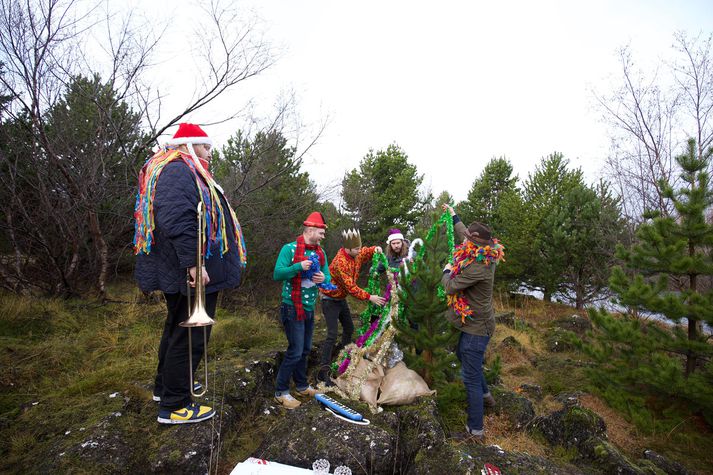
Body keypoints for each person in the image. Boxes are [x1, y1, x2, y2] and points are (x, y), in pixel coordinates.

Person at [134, 123, 247, 424]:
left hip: (188, 269)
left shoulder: (183, 169)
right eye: (206, 146)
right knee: (190, 336)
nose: (211, 151)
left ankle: (167, 387)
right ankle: (175, 405)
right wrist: (195, 264)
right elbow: (176, 218)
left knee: (176, 330)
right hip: (192, 271)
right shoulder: (178, 170)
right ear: (189, 145)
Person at [441, 204, 503, 442]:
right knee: (462, 355)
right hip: (474, 324)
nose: (466, 242)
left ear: (478, 245)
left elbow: (449, 287)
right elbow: (465, 233)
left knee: (470, 378)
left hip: (478, 329)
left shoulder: (480, 266)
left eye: (470, 241)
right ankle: (487, 396)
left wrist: (446, 270)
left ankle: (475, 431)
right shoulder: (484, 248)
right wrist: (454, 214)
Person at [272, 212, 331, 409]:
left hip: (309, 308)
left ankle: (302, 385)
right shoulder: (289, 249)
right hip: (291, 307)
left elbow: (328, 278)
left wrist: (323, 279)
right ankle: (281, 391)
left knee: (305, 350)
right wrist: (298, 266)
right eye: (321, 233)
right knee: (295, 351)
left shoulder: (320, 253)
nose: (323, 237)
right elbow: (278, 274)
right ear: (311, 230)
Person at [318, 229, 386, 385]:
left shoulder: (356, 252)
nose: (359, 251)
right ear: (348, 248)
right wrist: (370, 297)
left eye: (359, 248)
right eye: (356, 249)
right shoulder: (341, 262)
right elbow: (351, 288)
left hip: (341, 298)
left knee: (349, 329)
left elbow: (365, 252)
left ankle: (343, 360)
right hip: (330, 299)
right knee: (332, 334)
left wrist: (375, 248)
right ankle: (323, 372)